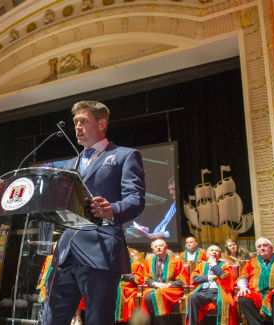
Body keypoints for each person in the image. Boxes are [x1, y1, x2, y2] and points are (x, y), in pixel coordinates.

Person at [42, 100, 146, 325]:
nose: (77, 127)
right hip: (66, 253)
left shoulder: (125, 155)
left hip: (101, 251)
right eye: (75, 122)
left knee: (98, 320)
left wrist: (112, 209)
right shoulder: (70, 163)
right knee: (50, 319)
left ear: (101, 123)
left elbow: (136, 199)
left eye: (83, 121)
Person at [186, 245, 238, 325]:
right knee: (192, 297)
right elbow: (195, 278)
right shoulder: (202, 265)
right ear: (207, 254)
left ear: (220, 255)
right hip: (203, 291)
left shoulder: (225, 266)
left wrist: (214, 264)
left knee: (224, 302)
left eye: (217, 251)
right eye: (212, 250)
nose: (214, 252)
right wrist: (210, 278)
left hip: (219, 292)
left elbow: (225, 278)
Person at [142, 239, 188, 325]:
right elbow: (145, 277)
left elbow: (182, 280)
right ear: (153, 249)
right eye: (156, 246)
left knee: (154, 295)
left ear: (166, 247)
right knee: (148, 295)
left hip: (171, 290)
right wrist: (155, 283)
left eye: (161, 245)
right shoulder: (148, 261)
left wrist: (168, 284)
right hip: (154, 287)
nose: (158, 248)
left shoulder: (176, 261)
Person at [115, 254, 145, 323]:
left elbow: (139, 279)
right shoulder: (112, 264)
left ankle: (117, 319)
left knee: (117, 288)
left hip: (128, 286)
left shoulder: (135, 264)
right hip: (112, 284)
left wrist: (123, 276)